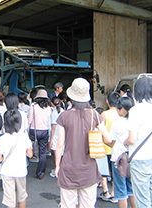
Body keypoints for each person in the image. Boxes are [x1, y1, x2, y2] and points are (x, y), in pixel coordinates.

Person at [55, 78, 110, 208]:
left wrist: (57, 165)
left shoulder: (64, 116)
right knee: (88, 205)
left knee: (68, 205)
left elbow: (60, 145)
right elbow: (108, 139)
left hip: (69, 168)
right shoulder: (95, 115)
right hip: (89, 169)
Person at [124, 77, 152, 208]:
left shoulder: (135, 110)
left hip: (140, 159)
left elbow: (132, 139)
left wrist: (125, 142)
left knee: (142, 199)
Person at [0, 109, 33, 208]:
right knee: (22, 196)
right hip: (20, 171)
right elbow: (30, 154)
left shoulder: (3, 138)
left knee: (10, 200)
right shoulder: (24, 136)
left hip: (7, 172)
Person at [109, 97, 136, 208]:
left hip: (118, 158)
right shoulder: (135, 122)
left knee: (120, 189)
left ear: (123, 110)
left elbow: (111, 142)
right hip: (133, 157)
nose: (117, 111)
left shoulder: (117, 124)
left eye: (118, 109)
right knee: (131, 187)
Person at [100, 92, 120, 203]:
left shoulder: (104, 114)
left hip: (104, 146)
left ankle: (106, 191)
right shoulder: (120, 114)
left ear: (107, 101)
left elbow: (101, 129)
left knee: (104, 170)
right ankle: (113, 193)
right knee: (114, 172)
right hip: (116, 148)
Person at [28, 89, 52, 179]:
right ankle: (40, 173)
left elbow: (29, 120)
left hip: (34, 130)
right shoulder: (49, 108)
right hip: (44, 131)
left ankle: (27, 166)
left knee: (30, 147)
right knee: (43, 153)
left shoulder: (33, 106)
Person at [48, 97, 64, 178]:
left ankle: (57, 169)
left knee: (56, 154)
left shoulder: (54, 112)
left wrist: (50, 140)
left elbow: (53, 128)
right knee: (62, 153)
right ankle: (62, 169)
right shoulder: (63, 111)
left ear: (52, 103)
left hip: (56, 135)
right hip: (63, 134)